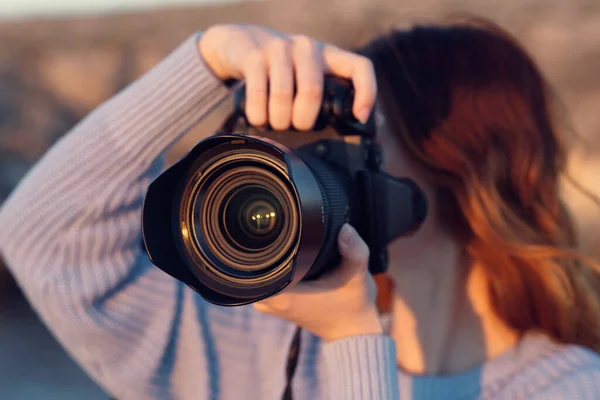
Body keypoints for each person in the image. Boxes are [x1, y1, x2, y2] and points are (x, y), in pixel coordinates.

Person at [1, 19, 600, 400]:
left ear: (461, 166)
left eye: (357, 133)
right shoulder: (254, 343)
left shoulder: (567, 388)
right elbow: (40, 236)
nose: (320, 159)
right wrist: (206, 61)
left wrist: (353, 343)